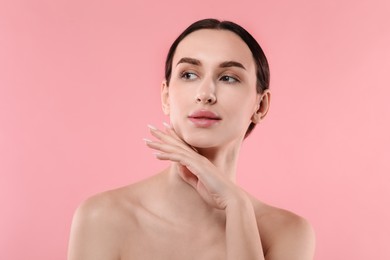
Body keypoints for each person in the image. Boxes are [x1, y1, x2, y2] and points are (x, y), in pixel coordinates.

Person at [68, 18, 315, 260]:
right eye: (188, 74)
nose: (205, 94)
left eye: (228, 77)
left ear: (260, 105)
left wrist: (237, 205)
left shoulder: (287, 233)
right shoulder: (102, 218)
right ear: (166, 96)